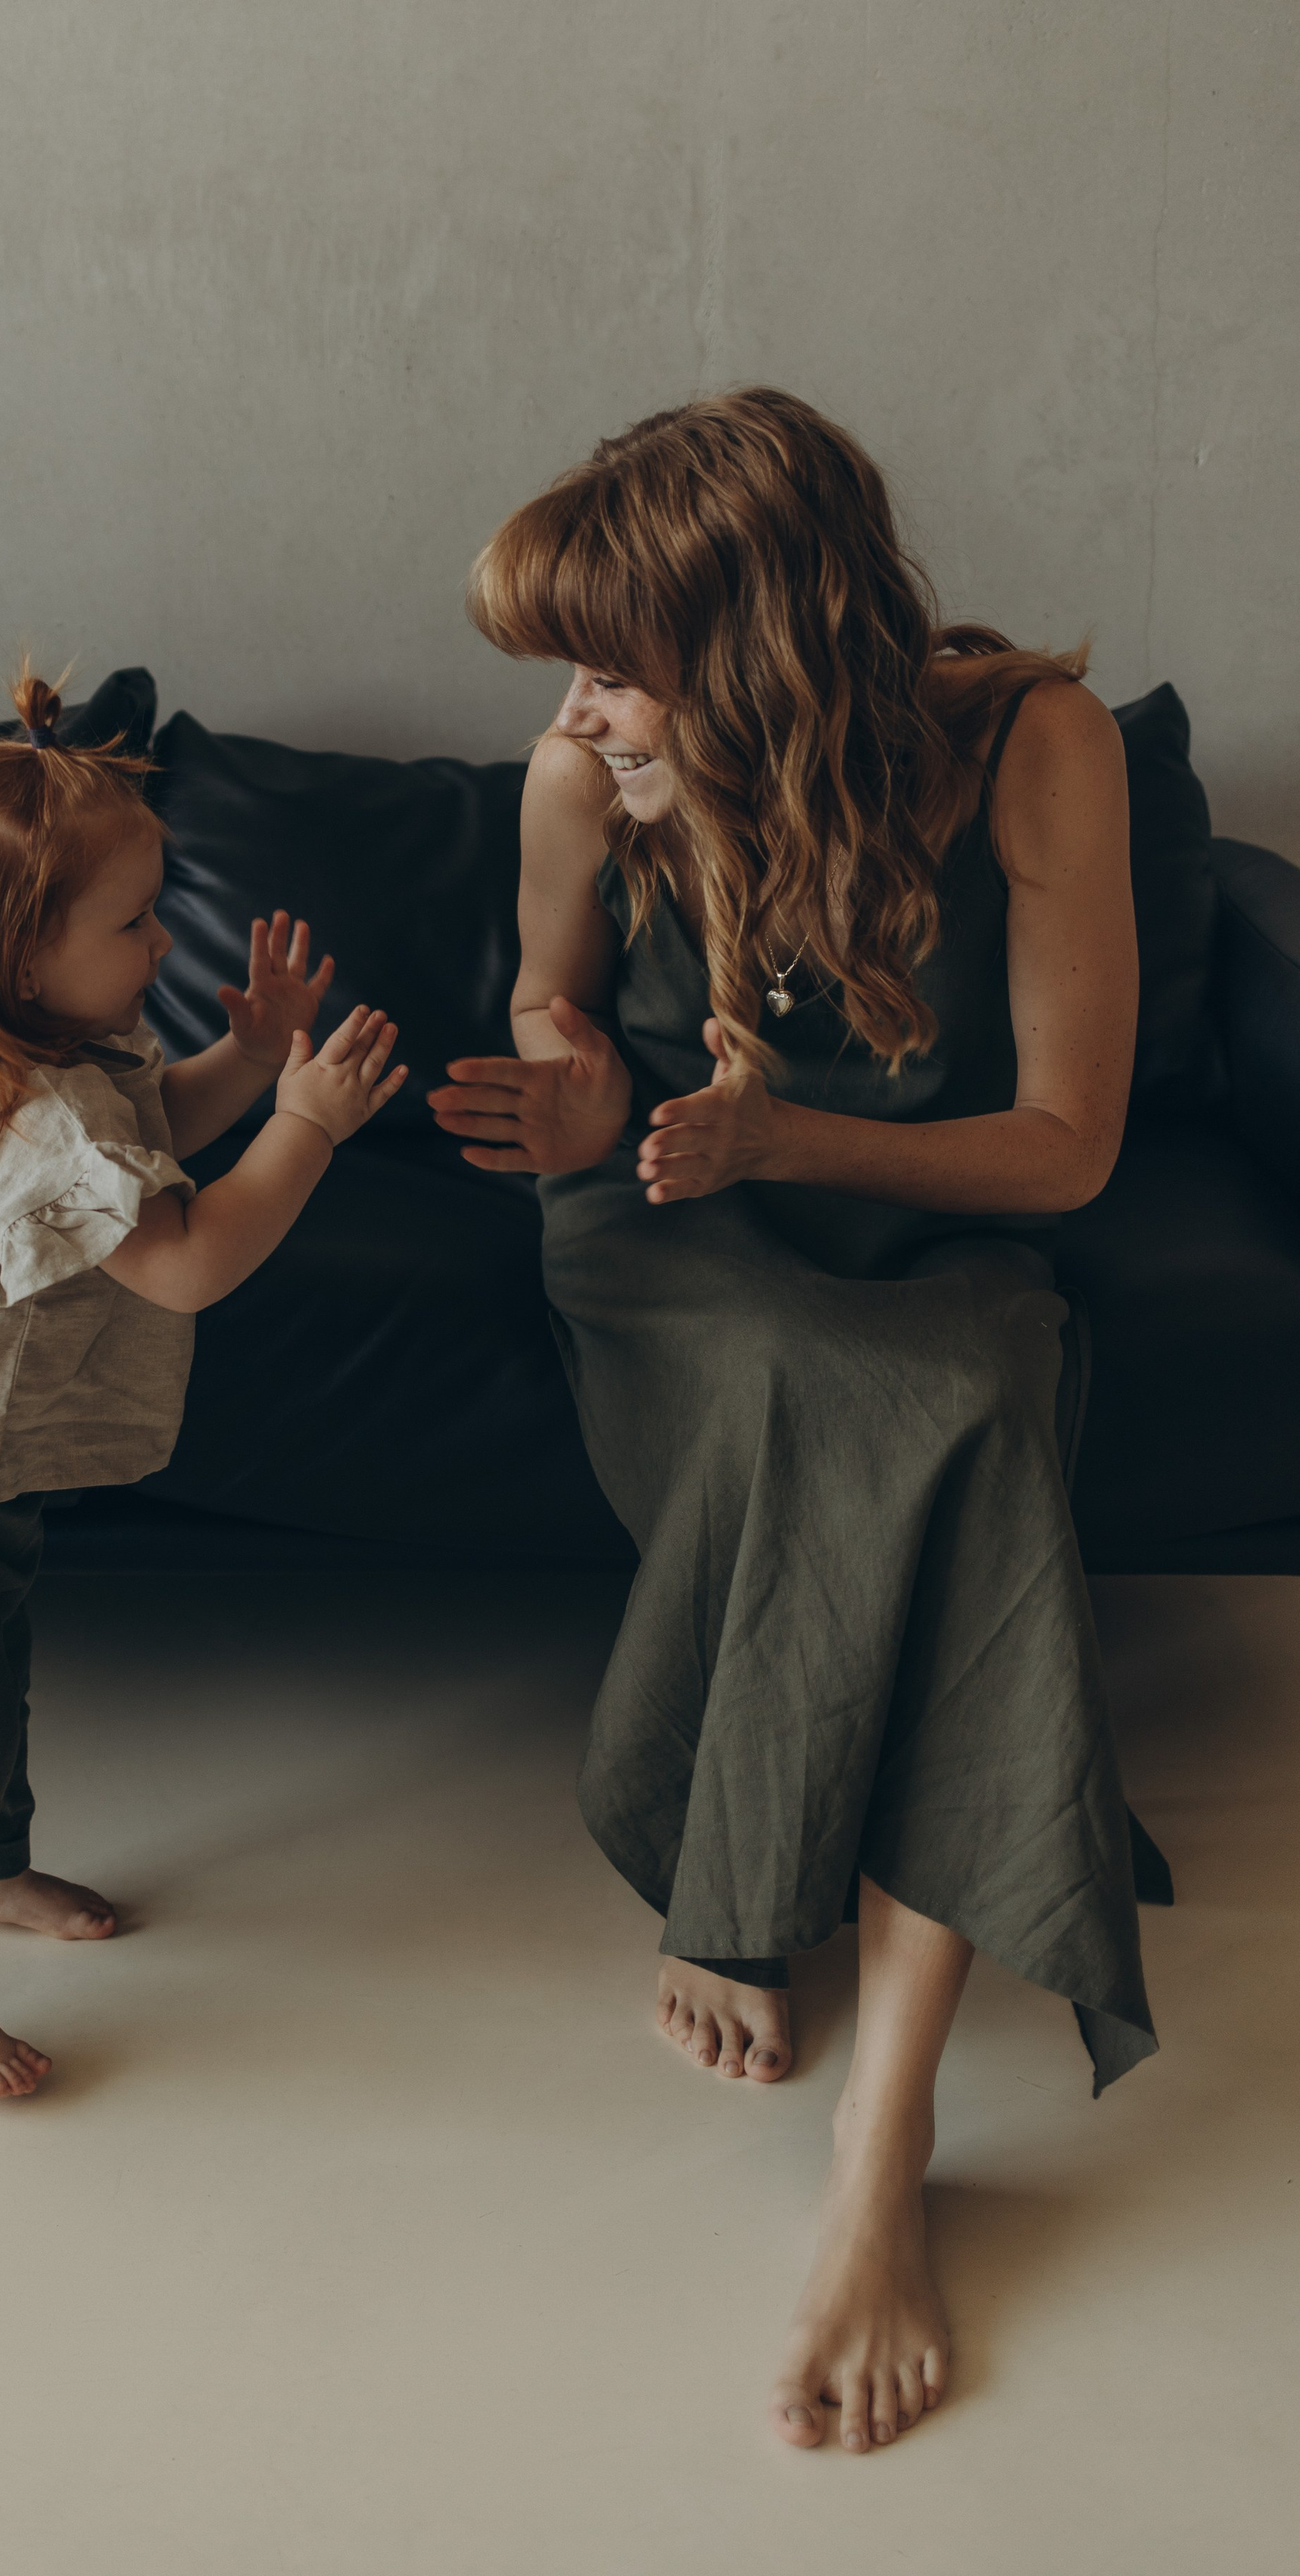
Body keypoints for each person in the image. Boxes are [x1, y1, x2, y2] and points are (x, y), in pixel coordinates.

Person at [429, 389, 1161, 2453]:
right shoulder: (580, 780)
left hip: (920, 1226)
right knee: (886, 1410)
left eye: (614, 667)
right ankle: (800, 1961)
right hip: (674, 1239)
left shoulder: (1037, 748)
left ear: (755, 657)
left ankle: (880, 2135)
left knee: (972, 1397)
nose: (583, 715)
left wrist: (793, 1136)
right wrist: (570, 1081)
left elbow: (1068, 1150)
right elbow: (548, 1014)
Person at [0, 671, 406, 2101]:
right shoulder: (31, 1114)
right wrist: (308, 1128)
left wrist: (250, 1054)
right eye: (136, 922)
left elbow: (156, 1133)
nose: (166, 940)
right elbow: (184, 1261)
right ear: (17, 959)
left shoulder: (67, 1055)